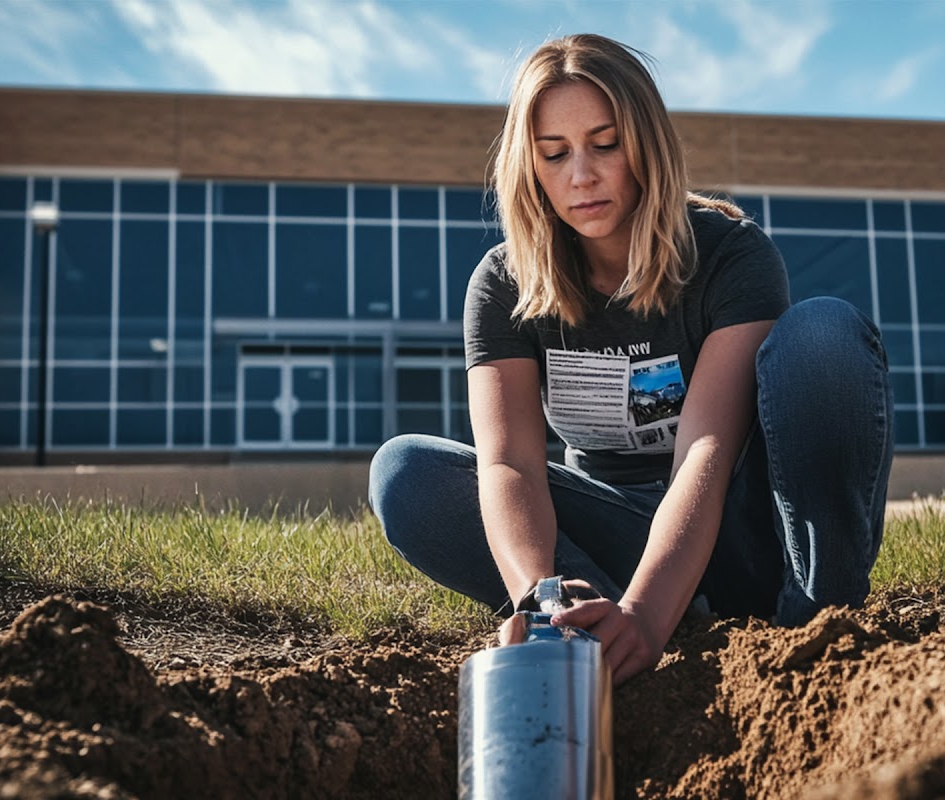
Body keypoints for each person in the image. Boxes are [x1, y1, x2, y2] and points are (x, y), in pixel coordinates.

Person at [369, 33, 895, 685]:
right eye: (554, 153)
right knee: (406, 473)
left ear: (644, 142)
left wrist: (648, 614)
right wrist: (540, 591)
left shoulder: (732, 256)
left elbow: (705, 450)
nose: (581, 175)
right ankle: (589, 619)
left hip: (743, 530)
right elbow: (510, 464)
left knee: (822, 336)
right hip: (616, 532)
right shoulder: (504, 284)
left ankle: (816, 621)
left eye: (605, 143)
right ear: (527, 165)